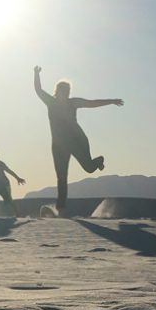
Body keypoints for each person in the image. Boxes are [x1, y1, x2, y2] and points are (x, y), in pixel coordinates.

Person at [32, 65, 123, 214]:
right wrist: (36, 74)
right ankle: (61, 210)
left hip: (77, 141)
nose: (64, 94)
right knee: (61, 177)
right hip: (58, 146)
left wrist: (111, 101)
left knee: (88, 168)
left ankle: (98, 161)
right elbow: (38, 90)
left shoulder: (73, 102)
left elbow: (92, 103)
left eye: (67, 92)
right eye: (62, 91)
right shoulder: (51, 102)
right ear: (57, 91)